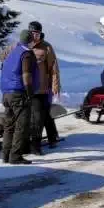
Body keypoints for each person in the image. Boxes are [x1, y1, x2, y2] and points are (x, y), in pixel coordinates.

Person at [0, 29, 38, 164]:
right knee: (21, 126)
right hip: (18, 94)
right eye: (33, 40)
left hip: (6, 93)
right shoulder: (26, 54)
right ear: (30, 41)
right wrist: (29, 91)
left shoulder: (12, 52)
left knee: (9, 126)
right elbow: (26, 74)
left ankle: (5, 155)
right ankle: (15, 156)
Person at [27, 20, 63, 151]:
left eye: (37, 33)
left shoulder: (46, 47)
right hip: (28, 88)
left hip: (43, 88)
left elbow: (54, 68)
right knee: (43, 114)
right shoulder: (25, 45)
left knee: (42, 113)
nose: (35, 36)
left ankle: (44, 139)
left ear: (41, 34)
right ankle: (53, 136)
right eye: (33, 33)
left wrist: (55, 86)